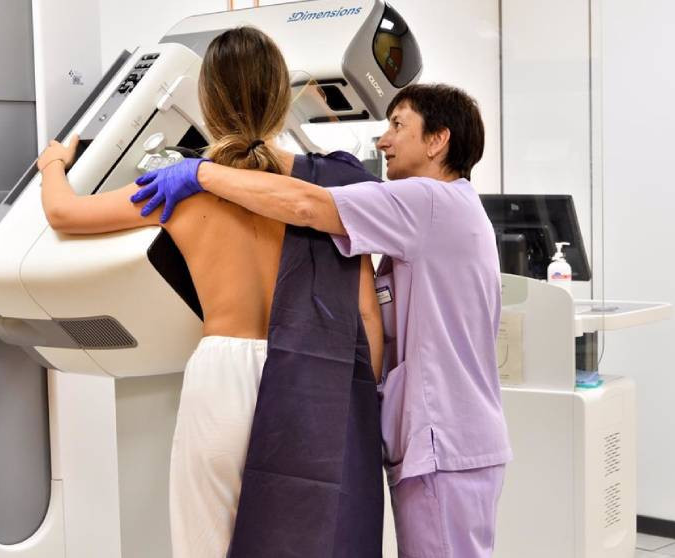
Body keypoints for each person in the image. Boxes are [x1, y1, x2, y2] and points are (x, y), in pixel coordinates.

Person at [37, 26, 383, 558]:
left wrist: (54, 164)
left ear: (208, 101)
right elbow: (364, 312)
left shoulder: (176, 189)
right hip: (311, 378)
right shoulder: (329, 190)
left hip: (220, 377)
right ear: (279, 98)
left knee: (207, 544)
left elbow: (62, 214)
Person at [133, 83, 512, 558]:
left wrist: (204, 173)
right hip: (444, 443)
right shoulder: (446, 209)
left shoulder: (429, 202)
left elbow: (309, 205)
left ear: (438, 140)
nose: (383, 141)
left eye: (398, 126)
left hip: (445, 444)